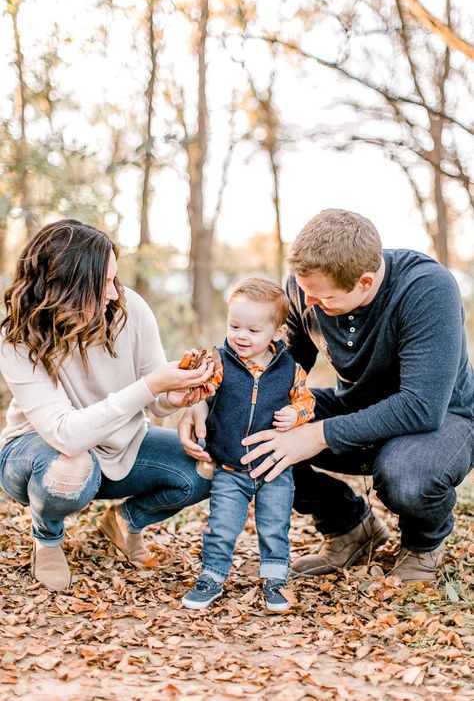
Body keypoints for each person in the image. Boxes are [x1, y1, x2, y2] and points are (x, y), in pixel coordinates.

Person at [180, 209, 474, 585]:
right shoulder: (306, 290)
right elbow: (275, 377)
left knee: (405, 475)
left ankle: (421, 546)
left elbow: (421, 407)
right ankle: (350, 527)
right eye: (304, 292)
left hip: (444, 418)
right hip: (357, 404)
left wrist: (314, 435)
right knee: (250, 429)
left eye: (323, 298)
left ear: (365, 282)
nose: (308, 304)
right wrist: (209, 402)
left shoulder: (426, 289)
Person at [0, 219, 214, 592]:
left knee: (206, 465)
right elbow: (65, 434)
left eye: (116, 280)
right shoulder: (17, 337)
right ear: (66, 287)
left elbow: (155, 399)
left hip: (120, 445)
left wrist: (172, 397)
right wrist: (150, 387)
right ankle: (47, 537)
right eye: (104, 284)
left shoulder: (131, 310)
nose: (115, 294)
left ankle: (126, 521)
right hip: (38, 453)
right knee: (73, 462)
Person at [181, 277, 315, 611]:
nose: (241, 336)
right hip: (229, 465)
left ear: (277, 332)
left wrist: (295, 415)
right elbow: (200, 383)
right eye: (234, 326)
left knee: (274, 526)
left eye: (254, 330)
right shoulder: (221, 362)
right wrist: (194, 372)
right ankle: (211, 576)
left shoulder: (290, 370)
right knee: (222, 526)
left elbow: (307, 402)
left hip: (273, 466)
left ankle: (275, 580)